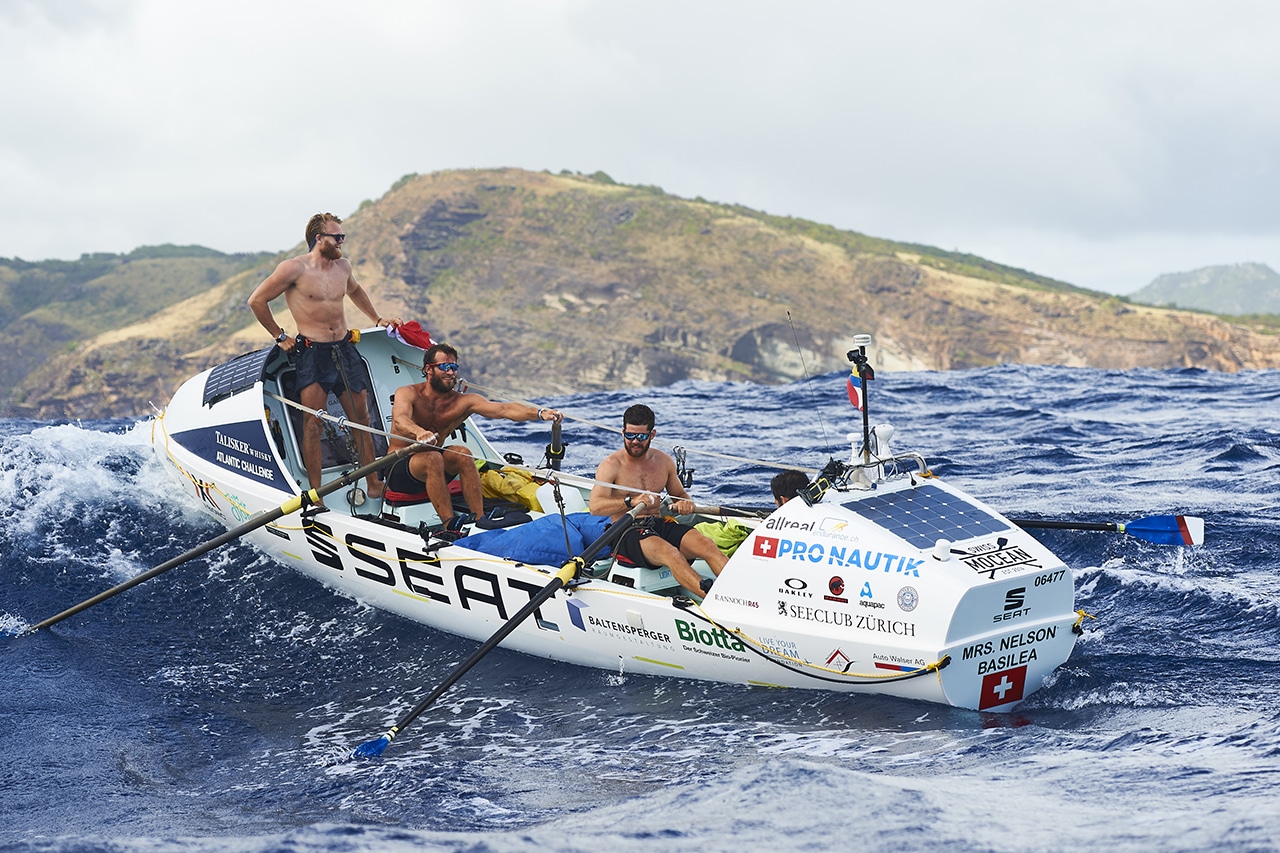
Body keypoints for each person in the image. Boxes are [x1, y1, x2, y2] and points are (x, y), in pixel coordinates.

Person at [247, 212, 402, 502]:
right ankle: (315, 493)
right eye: (337, 237)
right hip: (312, 353)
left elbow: (356, 291)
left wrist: (378, 319)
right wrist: (280, 337)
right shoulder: (293, 269)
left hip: (344, 349)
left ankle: (373, 483)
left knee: (361, 419)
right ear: (319, 239)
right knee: (313, 422)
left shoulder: (343, 266)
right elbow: (256, 301)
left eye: (343, 236)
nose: (342, 242)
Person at [387, 343, 563, 536]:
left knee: (463, 453)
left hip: (434, 468)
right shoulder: (408, 392)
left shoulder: (462, 402)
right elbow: (400, 419)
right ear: (429, 369)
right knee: (433, 457)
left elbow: (503, 410)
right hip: (399, 469)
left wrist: (539, 413)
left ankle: (480, 519)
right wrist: (418, 432)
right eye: (445, 367)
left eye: (454, 367)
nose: (451, 372)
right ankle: (450, 526)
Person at [589, 404, 728, 599]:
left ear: (652, 434)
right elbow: (595, 507)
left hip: (658, 524)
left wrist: (685, 503)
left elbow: (680, 494)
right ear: (623, 432)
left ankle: (737, 597)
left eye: (641, 436)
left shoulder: (664, 462)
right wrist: (632, 501)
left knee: (707, 545)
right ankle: (716, 602)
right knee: (671, 554)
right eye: (629, 436)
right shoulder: (611, 466)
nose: (635, 441)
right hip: (626, 532)